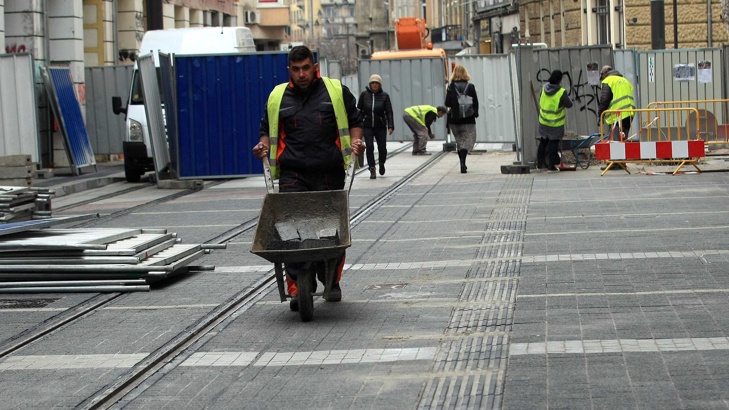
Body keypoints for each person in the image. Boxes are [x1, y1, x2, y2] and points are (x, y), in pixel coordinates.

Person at [252, 46, 365, 311]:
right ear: (289, 70)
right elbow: (265, 129)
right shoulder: (278, 96)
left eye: (306, 68)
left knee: (331, 234)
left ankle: (331, 281)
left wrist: (357, 139)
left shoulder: (335, 91)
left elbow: (355, 119)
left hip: (330, 171)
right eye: (296, 69)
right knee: (290, 232)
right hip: (293, 174)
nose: (302, 74)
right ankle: (297, 287)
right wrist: (262, 146)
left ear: (314, 67)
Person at [357, 74, 394, 179]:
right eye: (373, 83)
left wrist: (390, 125)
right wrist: (358, 124)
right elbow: (358, 110)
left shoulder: (384, 96)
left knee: (382, 148)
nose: (374, 85)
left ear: (380, 85)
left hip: (380, 126)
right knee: (370, 147)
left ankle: (382, 163)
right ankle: (372, 168)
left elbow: (389, 112)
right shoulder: (364, 95)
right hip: (367, 126)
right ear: (370, 84)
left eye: (376, 83)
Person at [537, 69, 573, 173]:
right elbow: (569, 104)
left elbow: (541, 99)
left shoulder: (544, 88)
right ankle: (551, 166)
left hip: (543, 121)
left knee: (543, 142)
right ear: (559, 80)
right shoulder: (561, 92)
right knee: (553, 143)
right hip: (556, 123)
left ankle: (540, 165)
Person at [445, 65, 479, 173]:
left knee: (459, 141)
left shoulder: (451, 87)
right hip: (468, 119)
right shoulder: (470, 87)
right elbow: (475, 102)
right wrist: (475, 113)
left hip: (454, 119)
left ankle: (462, 163)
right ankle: (463, 162)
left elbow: (447, 103)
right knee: (468, 140)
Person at [597, 65, 635, 141]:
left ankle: (617, 152)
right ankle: (623, 152)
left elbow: (605, 99)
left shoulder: (607, 81)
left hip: (617, 114)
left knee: (615, 140)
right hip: (630, 112)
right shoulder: (624, 80)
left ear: (604, 74)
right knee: (623, 137)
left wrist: (600, 114)